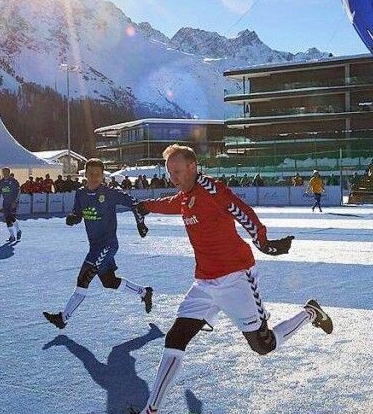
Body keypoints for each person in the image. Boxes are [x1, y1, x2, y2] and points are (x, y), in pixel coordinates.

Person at [132, 145, 332, 414]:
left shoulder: (212, 190)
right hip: (204, 283)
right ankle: (151, 410)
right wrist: (145, 206)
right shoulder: (184, 196)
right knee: (175, 338)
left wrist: (262, 242)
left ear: (193, 166)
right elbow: (170, 204)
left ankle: (310, 312)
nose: (173, 178)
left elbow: (241, 210)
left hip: (236, 278)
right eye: (170, 173)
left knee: (264, 345)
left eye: (177, 172)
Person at [43, 158, 152, 329]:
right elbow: (77, 212)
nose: (94, 177)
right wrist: (74, 218)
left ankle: (63, 318)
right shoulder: (80, 193)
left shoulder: (109, 193)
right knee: (109, 281)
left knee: (83, 278)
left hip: (108, 245)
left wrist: (140, 223)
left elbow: (134, 203)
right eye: (91, 174)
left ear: (103, 176)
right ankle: (144, 292)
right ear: (84, 175)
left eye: (98, 174)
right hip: (95, 246)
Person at [0, 167, 22, 244]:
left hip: (13, 202)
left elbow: (18, 191)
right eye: (3, 172)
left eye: (6, 172)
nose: (4, 173)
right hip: (5, 202)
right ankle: (12, 235)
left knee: (11, 217)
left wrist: (15, 201)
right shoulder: (1, 182)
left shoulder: (13, 181)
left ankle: (18, 231)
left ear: (9, 172)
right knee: (7, 218)